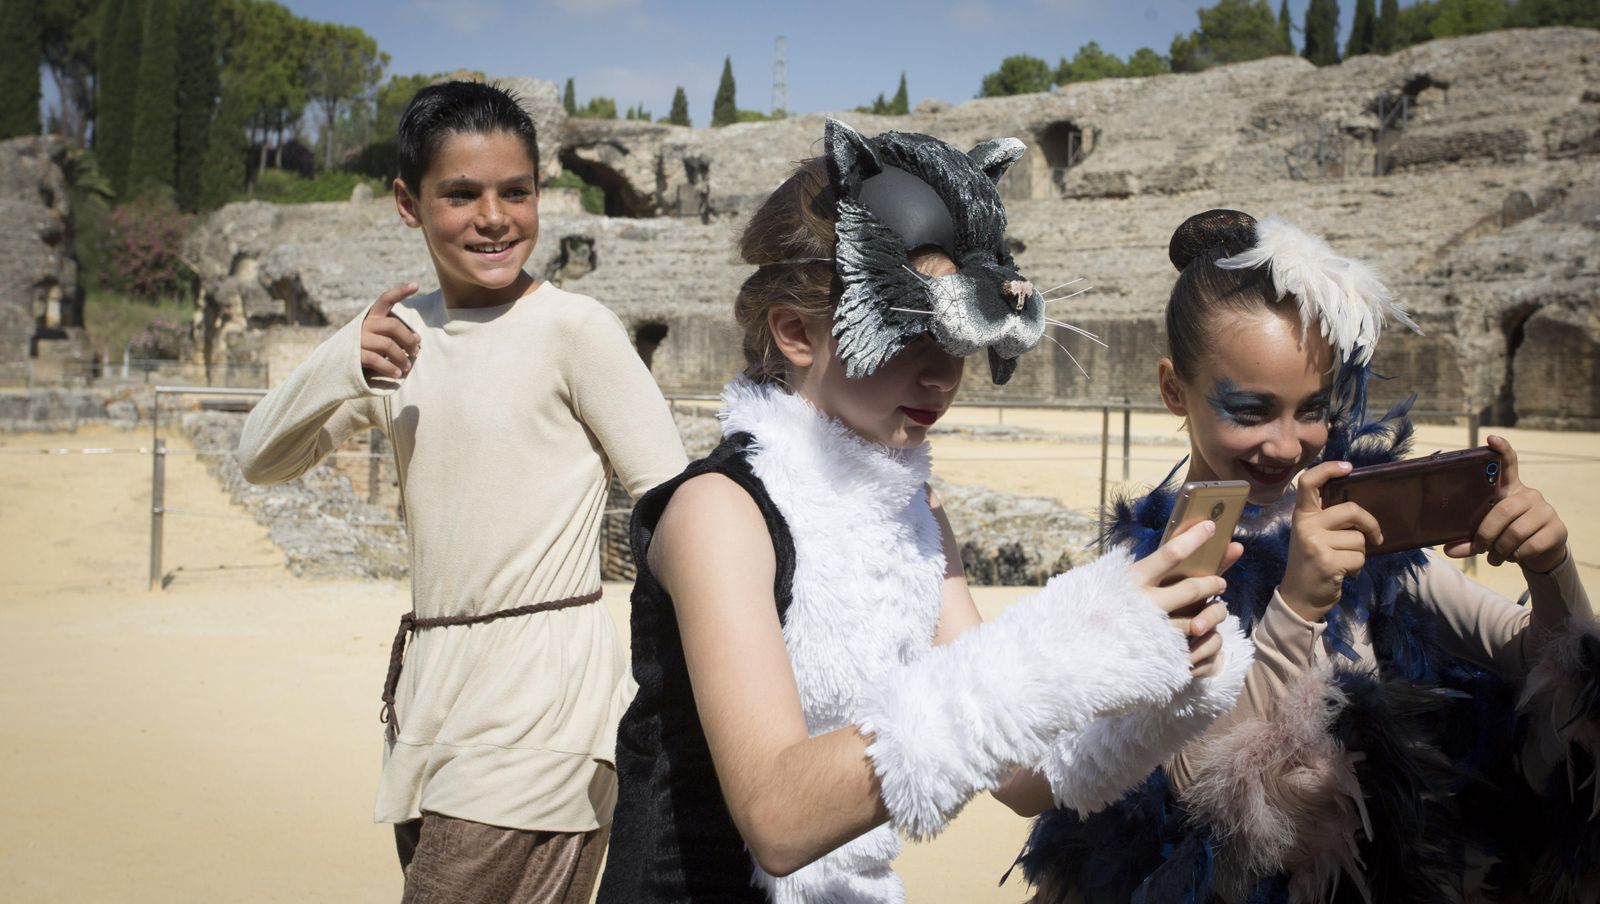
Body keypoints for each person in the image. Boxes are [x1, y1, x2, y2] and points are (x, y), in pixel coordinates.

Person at [595, 121, 1258, 904]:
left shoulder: (918, 514)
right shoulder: (719, 513)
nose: (944, 372)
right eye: (916, 333)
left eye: (962, 340)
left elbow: (1023, 775)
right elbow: (778, 817)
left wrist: (1155, 682)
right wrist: (1065, 644)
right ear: (798, 332)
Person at [1016, 209, 1598, 903]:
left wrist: (1550, 567)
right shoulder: (1150, 577)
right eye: (1250, 410)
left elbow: (1543, 669)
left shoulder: (1355, 526)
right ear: (1176, 390)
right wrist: (1296, 606)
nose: (1288, 446)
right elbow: (1192, 797)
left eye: (1312, 409)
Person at [235, 81, 687, 903]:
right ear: (409, 204)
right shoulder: (396, 345)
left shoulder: (575, 330)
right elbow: (260, 457)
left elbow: (675, 502)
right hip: (429, 702)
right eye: (462, 193)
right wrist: (341, 356)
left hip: (543, 707)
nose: (494, 216)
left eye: (516, 191)